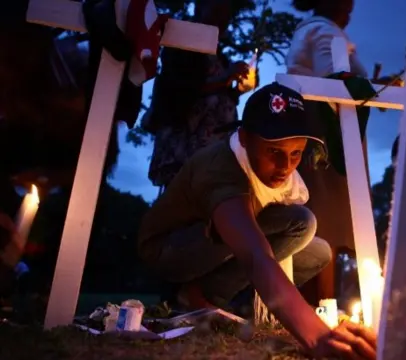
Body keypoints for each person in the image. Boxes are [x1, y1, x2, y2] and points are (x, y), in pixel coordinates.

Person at [138, 83, 376, 359]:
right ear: (243, 138)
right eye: (274, 152)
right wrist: (318, 336)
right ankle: (198, 299)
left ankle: (234, 302)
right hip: (171, 248)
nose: (285, 166)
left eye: (295, 153)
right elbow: (254, 255)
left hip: (220, 244)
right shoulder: (221, 168)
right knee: (299, 222)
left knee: (316, 249)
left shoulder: (285, 177)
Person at [285, 0, 368, 301]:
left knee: (321, 210)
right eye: (347, 2)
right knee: (326, 214)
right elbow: (334, 78)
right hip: (328, 128)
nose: (351, 9)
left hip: (314, 122)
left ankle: (315, 298)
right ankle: (323, 300)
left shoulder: (310, 30)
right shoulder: (324, 31)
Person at [144, 0, 250, 190]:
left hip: (212, 151)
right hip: (184, 149)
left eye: (226, 17)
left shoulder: (218, 55)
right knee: (181, 200)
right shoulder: (182, 43)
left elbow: (219, 96)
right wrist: (224, 78)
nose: (222, 21)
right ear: (200, 8)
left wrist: (238, 89)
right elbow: (180, 89)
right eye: (217, 12)